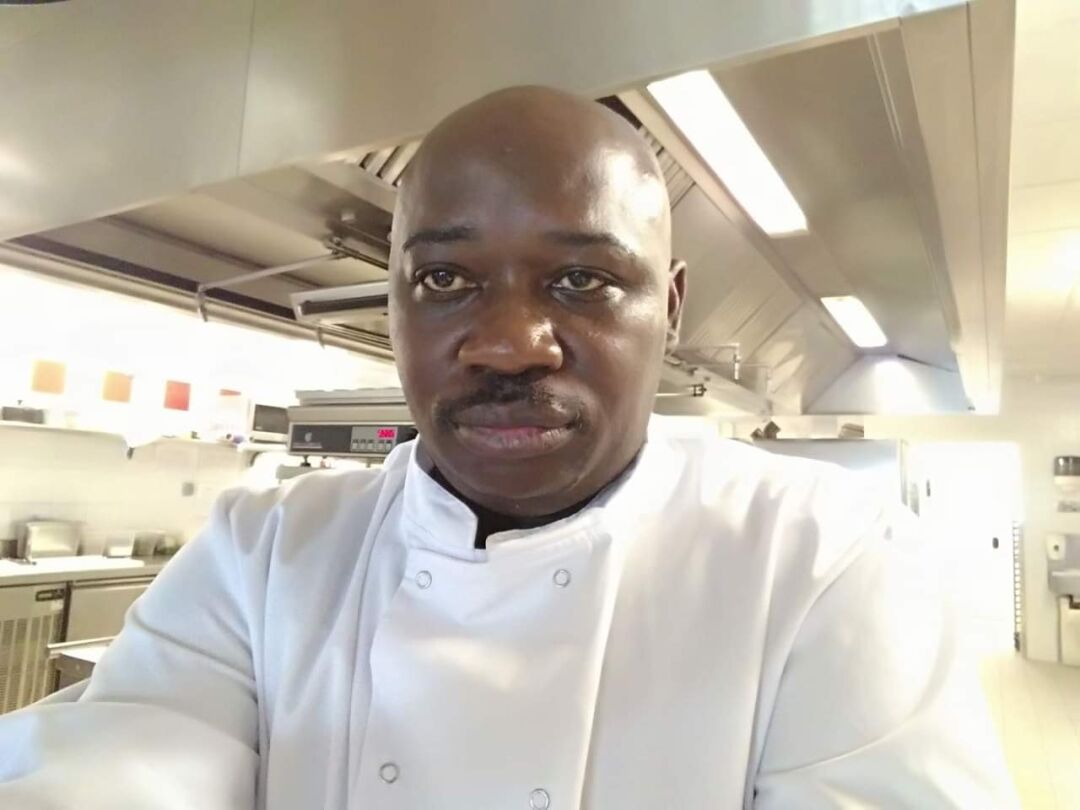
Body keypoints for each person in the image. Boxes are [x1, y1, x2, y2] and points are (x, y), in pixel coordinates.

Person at [0, 87, 1015, 809]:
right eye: (446, 281)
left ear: (667, 309)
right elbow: (133, 757)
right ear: (394, 300)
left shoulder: (824, 557)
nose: (507, 345)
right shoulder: (263, 551)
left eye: (581, 282)